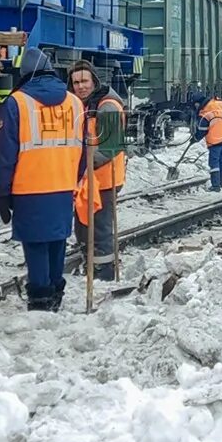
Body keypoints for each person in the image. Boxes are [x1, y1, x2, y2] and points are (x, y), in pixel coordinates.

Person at [0, 48, 83, 312]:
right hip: (63, 184)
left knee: (35, 243)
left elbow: (4, 153)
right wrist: (73, 177)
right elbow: (83, 147)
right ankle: (55, 293)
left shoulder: (17, 102)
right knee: (58, 239)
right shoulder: (74, 102)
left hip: (29, 186)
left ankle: (40, 298)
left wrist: (2, 190)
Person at [68, 62, 126, 281]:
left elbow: (112, 146)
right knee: (84, 225)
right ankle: (90, 264)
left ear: (94, 81)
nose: (80, 86)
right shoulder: (86, 105)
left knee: (100, 228)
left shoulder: (107, 106)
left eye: (84, 81)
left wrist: (83, 164)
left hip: (105, 178)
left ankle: (105, 273)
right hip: (89, 179)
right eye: (76, 82)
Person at [197, 88, 222, 191]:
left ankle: (216, 186)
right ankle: (221, 183)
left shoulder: (205, 111)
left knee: (214, 163)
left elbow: (202, 130)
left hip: (216, 139)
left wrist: (195, 138)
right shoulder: (220, 103)